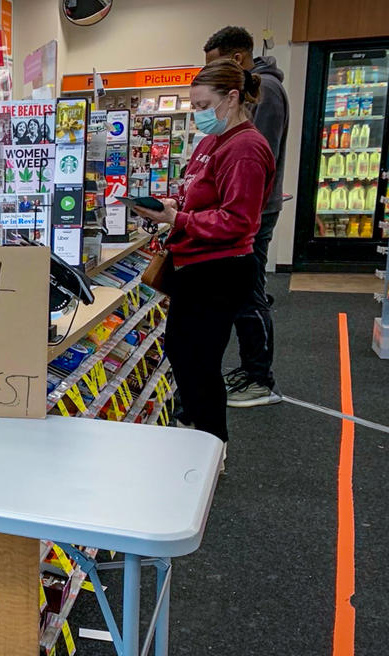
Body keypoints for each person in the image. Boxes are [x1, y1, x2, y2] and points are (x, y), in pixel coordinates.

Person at [134, 59, 275, 455]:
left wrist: (178, 217)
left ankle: (212, 445)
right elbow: (200, 194)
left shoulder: (246, 148)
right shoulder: (215, 142)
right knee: (183, 351)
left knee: (200, 360)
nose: (197, 115)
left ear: (232, 98)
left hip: (219, 269)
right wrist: (169, 205)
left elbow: (238, 221)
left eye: (201, 105)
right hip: (195, 265)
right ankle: (199, 433)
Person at [204, 26, 290, 408]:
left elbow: (256, 161)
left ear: (238, 59)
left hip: (251, 214)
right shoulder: (263, 91)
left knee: (250, 295)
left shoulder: (266, 93)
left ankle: (259, 378)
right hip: (248, 211)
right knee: (243, 294)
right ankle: (251, 369)